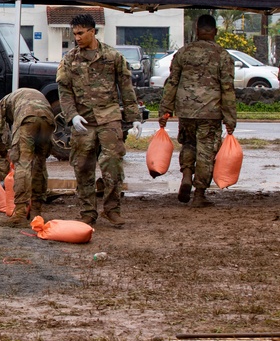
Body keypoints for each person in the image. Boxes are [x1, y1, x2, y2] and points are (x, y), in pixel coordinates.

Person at [57, 13, 141, 228]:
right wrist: (72, 115)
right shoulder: (69, 59)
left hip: (109, 117)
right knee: (83, 166)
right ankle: (87, 212)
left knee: (112, 164)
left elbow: (126, 87)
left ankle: (112, 209)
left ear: (92, 31)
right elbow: (64, 91)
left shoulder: (112, 57)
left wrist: (134, 117)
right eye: (74, 33)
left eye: (81, 33)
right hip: (83, 121)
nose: (77, 37)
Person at [159, 14, 236, 208]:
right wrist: (230, 118)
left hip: (185, 111)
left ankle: (186, 174)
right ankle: (199, 193)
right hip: (210, 112)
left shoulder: (183, 52)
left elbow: (172, 82)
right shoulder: (222, 55)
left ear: (196, 30)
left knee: (188, 145)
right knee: (206, 152)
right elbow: (227, 88)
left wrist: (165, 110)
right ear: (215, 32)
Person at [0, 88, 55, 227]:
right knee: (40, 164)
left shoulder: (2, 104)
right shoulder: (22, 96)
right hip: (48, 118)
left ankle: (20, 214)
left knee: (23, 163)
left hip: (26, 117)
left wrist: (4, 152)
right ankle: (37, 211)